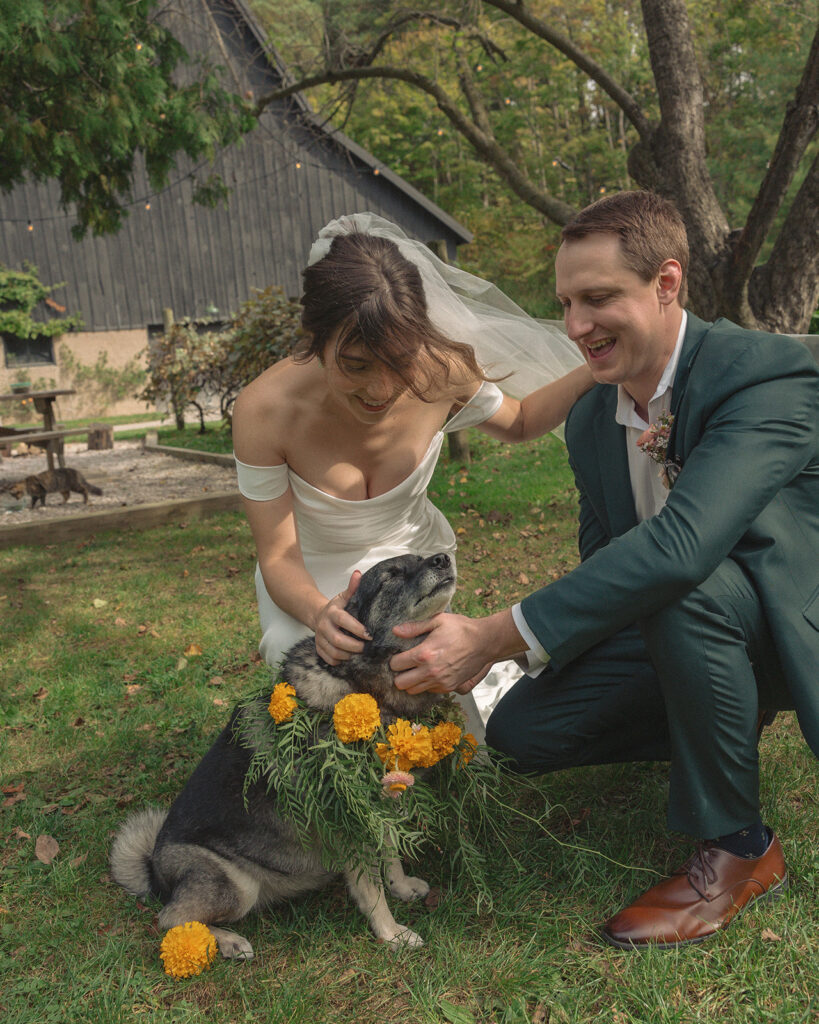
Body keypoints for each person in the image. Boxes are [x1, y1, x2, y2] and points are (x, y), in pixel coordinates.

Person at [389, 190, 819, 949]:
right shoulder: (591, 417)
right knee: (523, 734)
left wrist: (492, 636)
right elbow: (605, 556)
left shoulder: (763, 374)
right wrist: (528, 658)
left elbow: (680, 547)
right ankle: (717, 714)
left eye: (597, 298)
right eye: (564, 303)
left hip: (789, 620)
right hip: (697, 625)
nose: (576, 326)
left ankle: (740, 850)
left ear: (666, 283)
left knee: (684, 588)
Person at [231, 212, 594, 739]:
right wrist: (319, 614)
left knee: (446, 737)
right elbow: (278, 555)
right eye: (356, 364)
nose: (381, 389)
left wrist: (599, 366)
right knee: (328, 722)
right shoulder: (263, 411)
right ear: (316, 337)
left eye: (398, 361)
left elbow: (519, 422)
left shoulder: (439, 369)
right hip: (306, 584)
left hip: (410, 569)